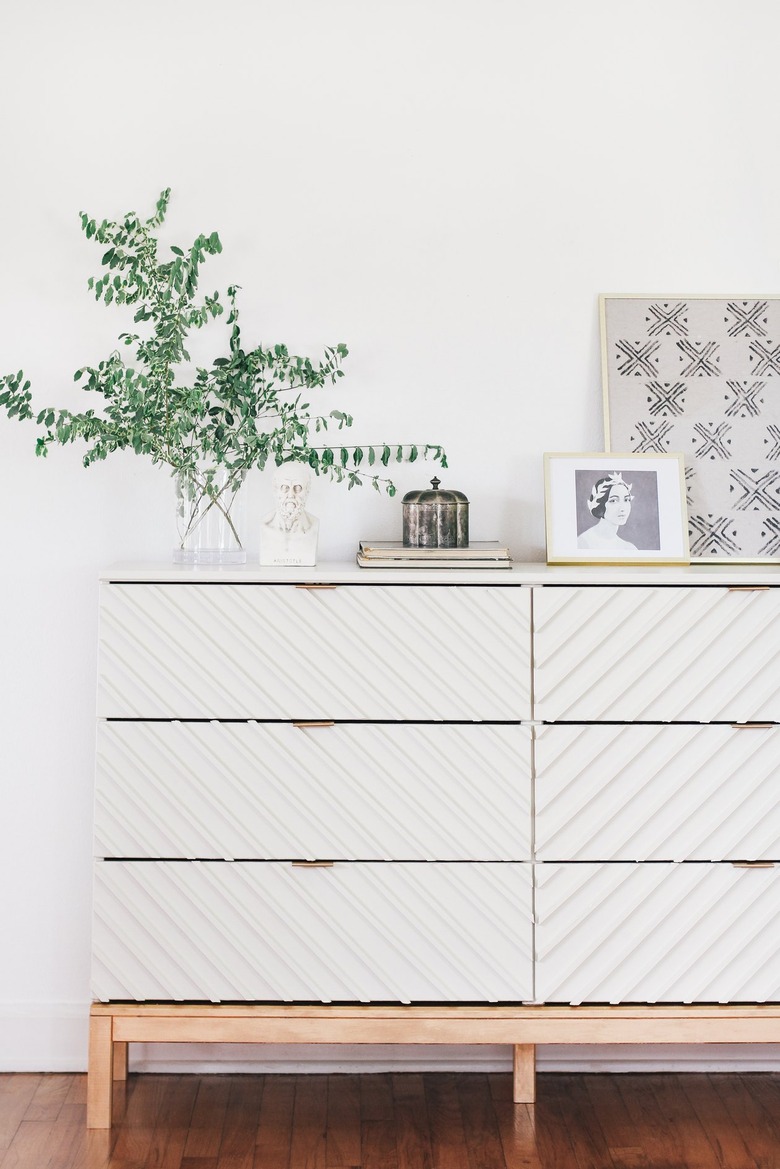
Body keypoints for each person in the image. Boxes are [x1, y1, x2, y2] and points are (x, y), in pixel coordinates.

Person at [259, 463, 319, 566]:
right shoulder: (264, 525)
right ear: (275, 490)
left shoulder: (313, 524)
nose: (291, 495)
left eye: (298, 488)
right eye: (284, 487)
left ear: (307, 490)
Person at [577, 471, 638, 551]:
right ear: (600, 505)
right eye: (614, 501)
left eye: (626, 500)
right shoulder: (583, 543)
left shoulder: (629, 548)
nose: (622, 508)